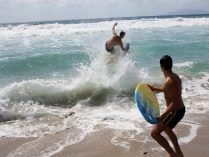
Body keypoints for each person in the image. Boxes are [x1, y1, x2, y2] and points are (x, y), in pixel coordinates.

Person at [148, 55, 185, 157]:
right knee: (167, 129)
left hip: (175, 111)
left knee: (154, 133)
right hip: (179, 109)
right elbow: (170, 92)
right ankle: (179, 153)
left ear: (161, 66)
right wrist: (155, 89)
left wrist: (163, 115)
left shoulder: (169, 81)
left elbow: (175, 102)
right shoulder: (175, 77)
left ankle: (173, 154)